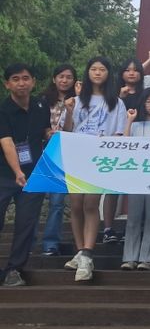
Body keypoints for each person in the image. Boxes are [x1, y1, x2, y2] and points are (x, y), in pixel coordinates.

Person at [61, 56, 127, 281]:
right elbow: (67, 131)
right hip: (77, 156)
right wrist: (69, 110)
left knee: (91, 203)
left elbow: (119, 133)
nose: (97, 73)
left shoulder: (116, 102)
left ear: (108, 74)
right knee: (76, 204)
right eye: (93, 69)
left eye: (102, 69)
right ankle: (80, 251)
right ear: (87, 73)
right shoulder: (77, 100)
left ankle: (88, 253)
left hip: (99, 158)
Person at [0, 63, 51, 287]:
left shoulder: (41, 105)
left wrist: (51, 133)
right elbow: (7, 143)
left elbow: (44, 130)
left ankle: (14, 270)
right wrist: (17, 171)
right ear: (7, 84)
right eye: (16, 79)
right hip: (4, 174)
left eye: (25, 78)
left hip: (34, 174)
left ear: (33, 82)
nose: (21, 83)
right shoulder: (3, 110)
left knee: (26, 224)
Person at [120, 88, 150, 270]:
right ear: (143, 103)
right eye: (149, 101)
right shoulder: (135, 125)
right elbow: (124, 143)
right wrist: (129, 120)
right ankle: (129, 257)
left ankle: (147, 258)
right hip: (136, 175)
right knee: (133, 217)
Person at [101, 57, 146, 245]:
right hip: (117, 143)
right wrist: (119, 97)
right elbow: (105, 115)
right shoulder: (112, 94)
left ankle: (133, 228)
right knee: (112, 187)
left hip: (140, 144)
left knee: (136, 188)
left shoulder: (145, 94)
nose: (132, 73)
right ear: (121, 73)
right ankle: (108, 228)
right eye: (127, 70)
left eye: (135, 70)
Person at [40, 64, 77, 257]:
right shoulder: (42, 100)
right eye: (61, 76)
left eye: (69, 77)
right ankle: (28, 242)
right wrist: (46, 132)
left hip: (65, 153)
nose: (64, 80)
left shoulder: (78, 100)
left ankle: (50, 244)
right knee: (33, 200)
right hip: (43, 151)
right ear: (54, 78)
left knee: (57, 202)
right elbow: (36, 123)